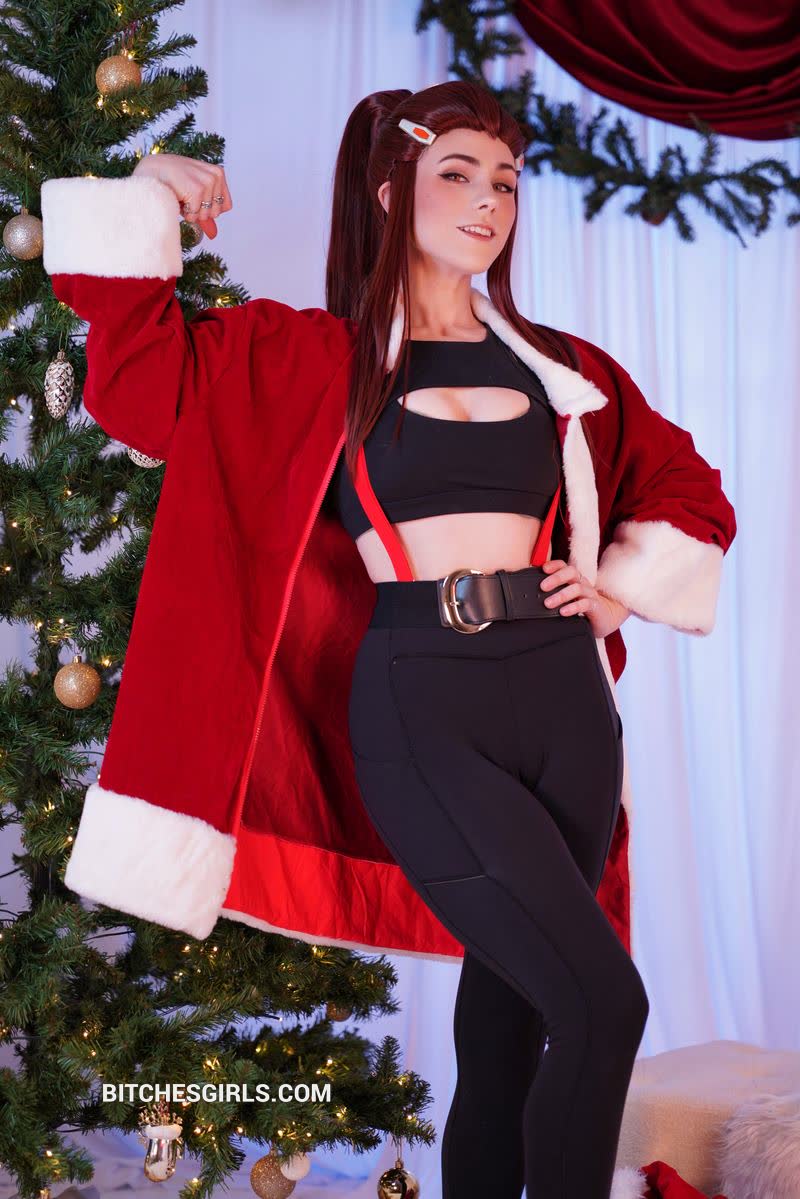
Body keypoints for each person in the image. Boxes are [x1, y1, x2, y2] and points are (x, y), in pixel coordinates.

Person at [41, 80, 736, 1199]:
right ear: (389, 191)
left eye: (505, 180)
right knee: (604, 1002)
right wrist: (147, 194)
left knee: (510, 1030)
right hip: (423, 702)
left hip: (566, 705)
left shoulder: (564, 369)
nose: (488, 201)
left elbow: (686, 484)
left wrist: (616, 588)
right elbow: (140, 386)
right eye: (456, 174)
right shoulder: (309, 357)